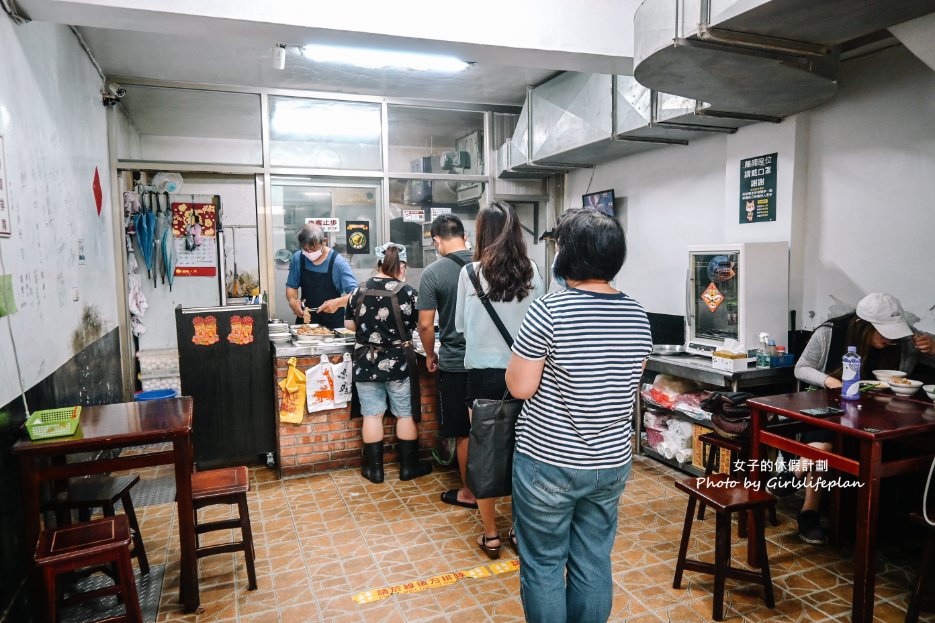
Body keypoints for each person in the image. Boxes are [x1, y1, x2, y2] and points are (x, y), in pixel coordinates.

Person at [505, 209, 652, 623]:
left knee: (545, 564)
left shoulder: (549, 310)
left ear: (568, 256)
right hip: (610, 462)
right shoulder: (638, 314)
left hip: (548, 461)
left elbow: (520, 387)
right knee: (593, 561)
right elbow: (630, 383)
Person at [782, 292, 935, 544]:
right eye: (883, 331)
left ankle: (793, 475)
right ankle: (809, 511)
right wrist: (830, 381)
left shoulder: (904, 338)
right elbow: (802, 367)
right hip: (828, 405)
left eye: (893, 331)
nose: (890, 338)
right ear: (862, 326)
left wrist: (933, 348)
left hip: (877, 412)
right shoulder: (830, 332)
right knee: (823, 443)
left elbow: (913, 368)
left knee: (889, 447)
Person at [455, 201, 543, 558]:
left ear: (480, 233)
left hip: (482, 378)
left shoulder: (470, 273)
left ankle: (491, 535)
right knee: (526, 454)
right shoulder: (533, 271)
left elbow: (461, 327)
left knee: (485, 455)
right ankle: (521, 532)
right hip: (527, 374)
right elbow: (542, 324)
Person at [345, 243, 432, 483]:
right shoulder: (408, 292)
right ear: (401, 265)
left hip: (365, 362)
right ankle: (408, 468)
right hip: (398, 362)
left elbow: (349, 326)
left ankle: (375, 471)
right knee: (404, 415)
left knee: (372, 415)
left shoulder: (358, 291)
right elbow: (419, 324)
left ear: (379, 264)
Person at [416, 214, 479, 510]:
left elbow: (426, 325)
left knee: (463, 432)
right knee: (492, 427)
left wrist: (430, 354)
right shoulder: (486, 264)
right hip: (492, 361)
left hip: (455, 362)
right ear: (464, 236)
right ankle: (500, 486)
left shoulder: (433, 272)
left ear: (437, 239)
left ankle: (469, 492)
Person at [286, 223, 358, 328]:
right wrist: (292, 301)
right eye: (305, 250)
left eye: (313, 249)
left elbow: (355, 295)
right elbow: (292, 286)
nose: (309, 253)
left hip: (333, 324)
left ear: (324, 241)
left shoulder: (338, 263)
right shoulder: (298, 259)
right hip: (306, 324)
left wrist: (337, 302)